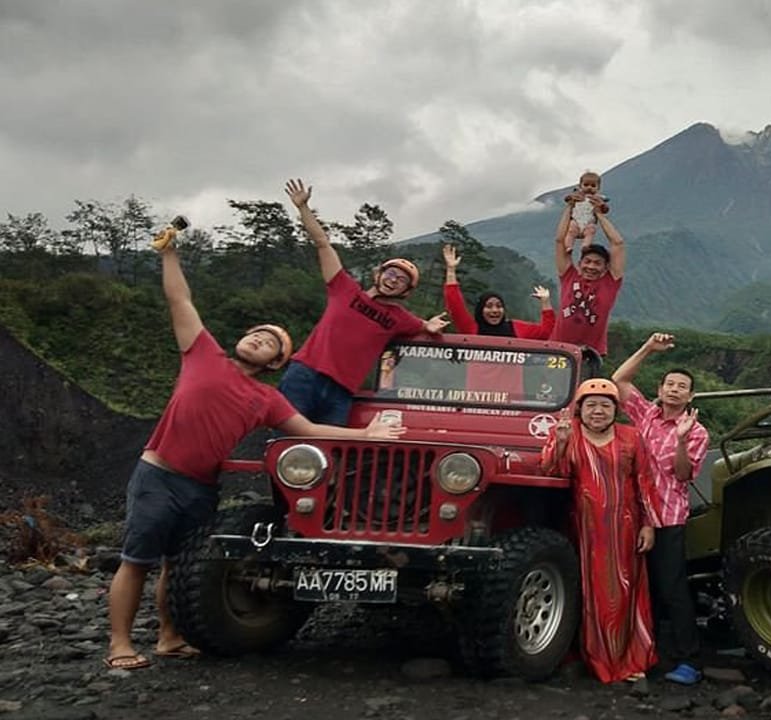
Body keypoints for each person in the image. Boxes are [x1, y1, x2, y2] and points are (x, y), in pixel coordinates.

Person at [106, 237, 407, 671]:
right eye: (256, 333)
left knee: (178, 565)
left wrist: (370, 435)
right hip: (158, 474)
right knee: (135, 561)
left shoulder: (267, 399)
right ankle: (119, 644)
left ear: (276, 363)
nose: (259, 339)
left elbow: (310, 429)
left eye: (270, 342)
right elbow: (179, 299)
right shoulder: (202, 354)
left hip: (202, 485)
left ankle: (168, 637)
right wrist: (169, 255)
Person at [281, 179, 448, 425]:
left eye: (401, 280)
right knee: (284, 443)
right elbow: (323, 244)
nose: (393, 281)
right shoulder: (344, 290)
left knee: (328, 452)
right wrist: (303, 208)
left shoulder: (398, 317)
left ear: (406, 292)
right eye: (390, 274)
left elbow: (423, 325)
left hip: (342, 391)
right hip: (305, 374)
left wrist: (430, 325)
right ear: (377, 274)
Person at [540, 379, 659, 683]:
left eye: (605, 405)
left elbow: (645, 482)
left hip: (626, 529)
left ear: (615, 410)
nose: (598, 411)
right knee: (588, 592)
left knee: (625, 592)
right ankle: (592, 658)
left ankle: (626, 660)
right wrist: (562, 440)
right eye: (591, 404)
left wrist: (649, 524)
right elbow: (552, 473)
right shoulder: (570, 433)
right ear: (580, 408)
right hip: (584, 530)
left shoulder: (631, 436)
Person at [612, 332, 709, 685]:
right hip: (634, 515)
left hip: (667, 517)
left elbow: (683, 474)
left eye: (682, 386)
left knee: (671, 588)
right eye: (670, 384)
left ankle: (689, 662)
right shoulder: (646, 416)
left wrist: (682, 439)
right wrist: (648, 349)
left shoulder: (696, 432)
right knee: (637, 585)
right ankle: (641, 655)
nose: (674, 390)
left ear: (690, 396)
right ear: (661, 387)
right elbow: (618, 381)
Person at [550, 184, 625, 360]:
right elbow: (560, 241)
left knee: (588, 388)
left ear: (606, 267)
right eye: (588, 261)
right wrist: (570, 208)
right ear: (580, 262)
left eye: (597, 263)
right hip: (558, 350)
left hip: (591, 354)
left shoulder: (610, 283)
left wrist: (598, 214)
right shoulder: (569, 276)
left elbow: (618, 244)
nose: (591, 267)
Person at [441, 244, 554, 338]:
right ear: (481, 310)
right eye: (489, 306)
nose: (494, 310)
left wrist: (546, 302)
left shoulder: (515, 328)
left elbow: (546, 333)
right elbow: (455, 306)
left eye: (499, 306)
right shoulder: (472, 329)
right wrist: (451, 270)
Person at [562, 171, 609, 254]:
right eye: (586, 185)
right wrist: (571, 198)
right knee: (571, 230)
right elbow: (566, 199)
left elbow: (605, 210)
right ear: (580, 186)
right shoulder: (577, 195)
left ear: (598, 188)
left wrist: (602, 205)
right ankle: (568, 246)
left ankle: (585, 246)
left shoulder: (598, 198)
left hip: (589, 222)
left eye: (593, 186)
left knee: (591, 231)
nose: (589, 188)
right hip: (576, 220)